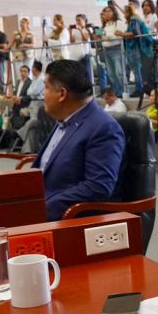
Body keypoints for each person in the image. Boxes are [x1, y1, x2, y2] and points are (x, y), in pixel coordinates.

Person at [33, 60, 125, 221]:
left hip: (67, 218)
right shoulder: (64, 119)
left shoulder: (103, 127)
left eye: (46, 88)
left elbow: (98, 186)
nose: (43, 94)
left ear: (62, 94)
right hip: (40, 203)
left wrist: (43, 209)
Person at [122, 4, 154, 97]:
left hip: (137, 48)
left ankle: (140, 89)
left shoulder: (134, 20)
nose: (124, 14)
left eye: (125, 12)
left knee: (137, 70)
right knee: (136, 70)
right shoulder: (132, 21)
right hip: (134, 48)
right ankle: (139, 88)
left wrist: (122, 34)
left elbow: (135, 33)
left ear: (129, 12)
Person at [16, 61, 47, 153]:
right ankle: (27, 150)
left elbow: (35, 92)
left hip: (39, 103)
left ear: (35, 69)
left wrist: (32, 92)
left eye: (32, 68)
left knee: (33, 123)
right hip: (32, 103)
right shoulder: (35, 79)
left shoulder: (42, 79)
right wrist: (32, 92)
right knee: (32, 129)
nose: (31, 71)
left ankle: (21, 132)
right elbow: (29, 91)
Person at [99, 6, 127, 97]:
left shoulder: (118, 22)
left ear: (114, 12)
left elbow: (120, 36)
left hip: (116, 48)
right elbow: (101, 37)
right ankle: (117, 92)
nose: (107, 13)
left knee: (119, 73)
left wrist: (106, 35)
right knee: (111, 74)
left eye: (109, 11)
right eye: (105, 12)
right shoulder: (105, 25)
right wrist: (98, 34)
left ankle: (123, 92)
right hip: (106, 49)